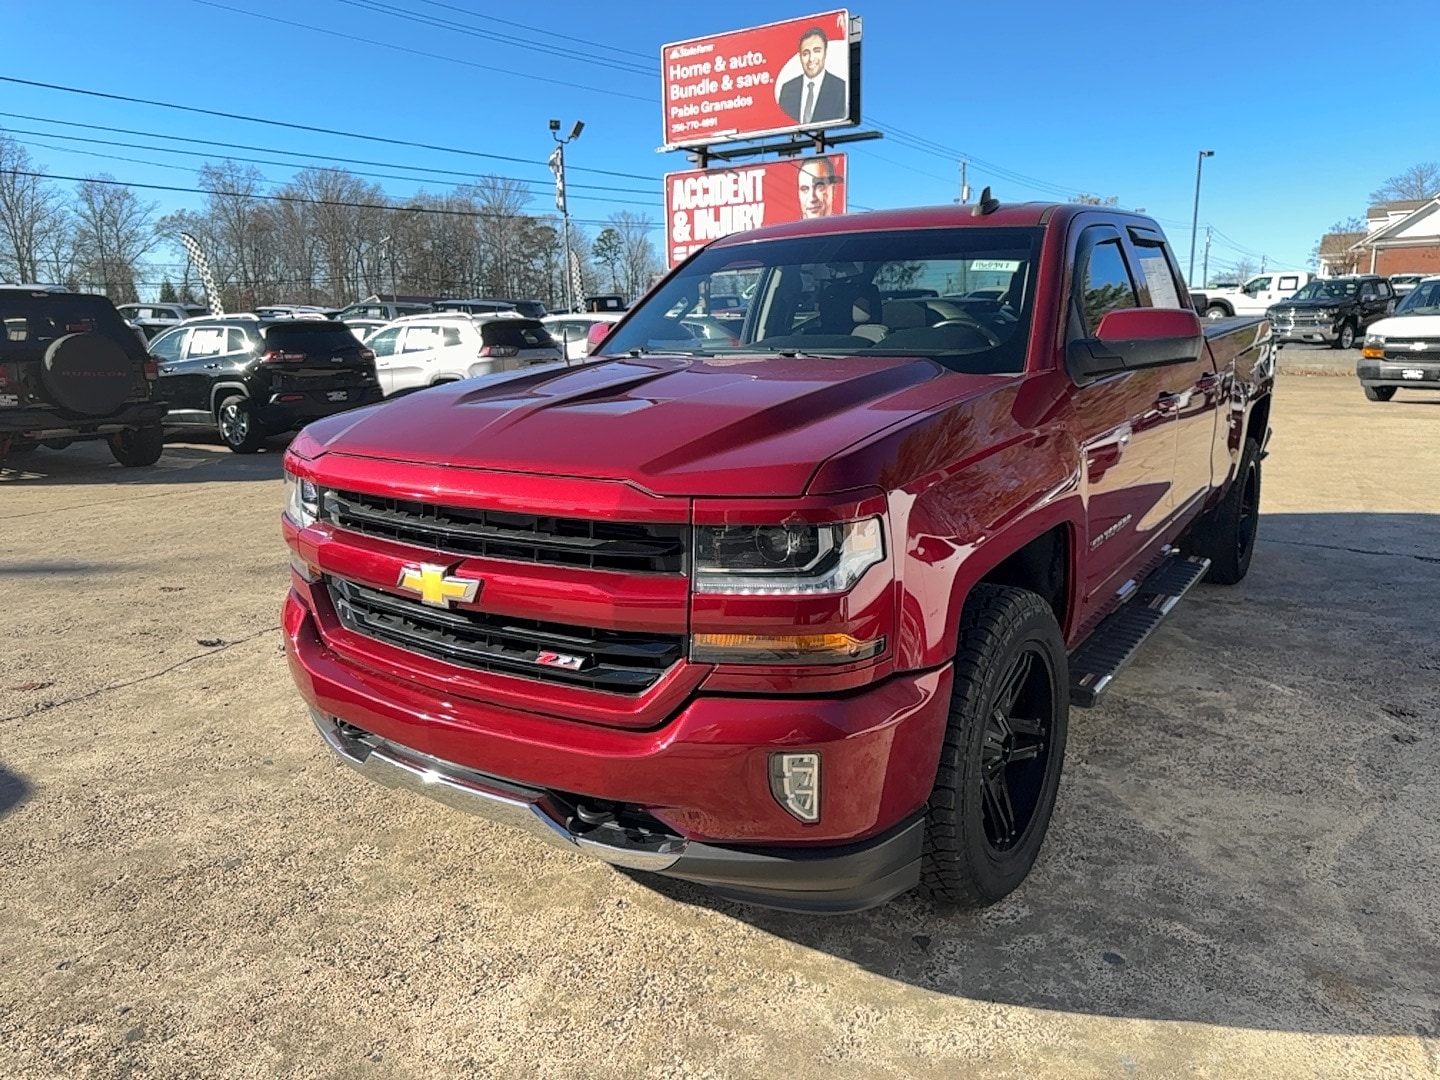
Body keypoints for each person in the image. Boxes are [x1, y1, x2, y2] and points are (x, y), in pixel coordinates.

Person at [777, 27, 848, 126]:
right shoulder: (787, 89)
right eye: (806, 53)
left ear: (825, 53)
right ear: (800, 57)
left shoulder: (840, 88)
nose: (811, 59)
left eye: (817, 51)